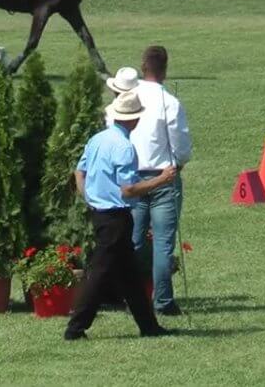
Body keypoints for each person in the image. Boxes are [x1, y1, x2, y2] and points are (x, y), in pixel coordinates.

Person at [64, 91, 178, 341]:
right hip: (115, 217)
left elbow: (79, 172)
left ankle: (149, 326)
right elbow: (128, 190)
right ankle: (75, 329)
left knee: (130, 275)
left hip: (100, 213)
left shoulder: (97, 139)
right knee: (100, 273)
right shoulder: (125, 148)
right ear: (134, 120)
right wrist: (162, 179)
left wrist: (89, 198)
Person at [129, 45, 192, 316]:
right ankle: (163, 300)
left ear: (143, 67)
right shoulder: (170, 102)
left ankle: (132, 296)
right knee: (164, 242)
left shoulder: (127, 98)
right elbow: (181, 146)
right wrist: (178, 163)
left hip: (133, 179)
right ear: (164, 69)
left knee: (134, 241)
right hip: (163, 177)